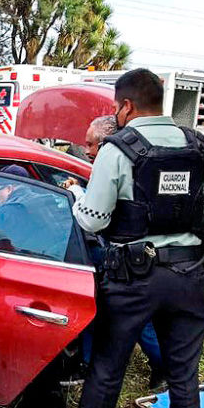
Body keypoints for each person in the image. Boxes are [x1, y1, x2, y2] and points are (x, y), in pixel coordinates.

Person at [59, 68, 204, 408]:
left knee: (109, 361)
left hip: (133, 276)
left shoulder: (119, 149)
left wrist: (76, 199)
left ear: (126, 106)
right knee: (183, 369)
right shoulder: (201, 147)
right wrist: (202, 260)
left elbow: (95, 220)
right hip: (189, 274)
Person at [82, 116, 164, 388]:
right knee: (137, 320)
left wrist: (77, 197)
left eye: (91, 144)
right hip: (144, 258)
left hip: (126, 261)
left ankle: (163, 368)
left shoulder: (113, 165)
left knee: (135, 321)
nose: (87, 150)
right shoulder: (138, 163)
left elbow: (94, 219)